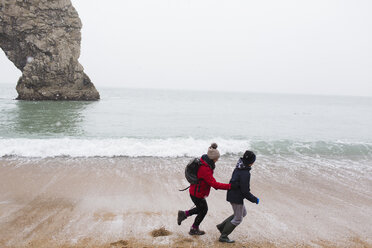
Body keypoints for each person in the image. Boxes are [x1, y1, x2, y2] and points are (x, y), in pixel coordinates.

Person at [177, 143, 234, 235]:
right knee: (203, 210)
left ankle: (184, 214)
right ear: (213, 158)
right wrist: (230, 186)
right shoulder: (205, 169)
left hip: (195, 191)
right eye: (217, 158)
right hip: (197, 193)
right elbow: (214, 184)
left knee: (201, 209)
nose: (217, 160)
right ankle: (193, 228)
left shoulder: (204, 161)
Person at [217, 150, 259, 243]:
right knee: (238, 219)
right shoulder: (245, 173)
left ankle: (222, 226)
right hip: (236, 197)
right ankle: (223, 236)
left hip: (233, 194)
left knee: (243, 213)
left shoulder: (239, 167)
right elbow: (245, 191)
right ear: (251, 162)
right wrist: (254, 199)